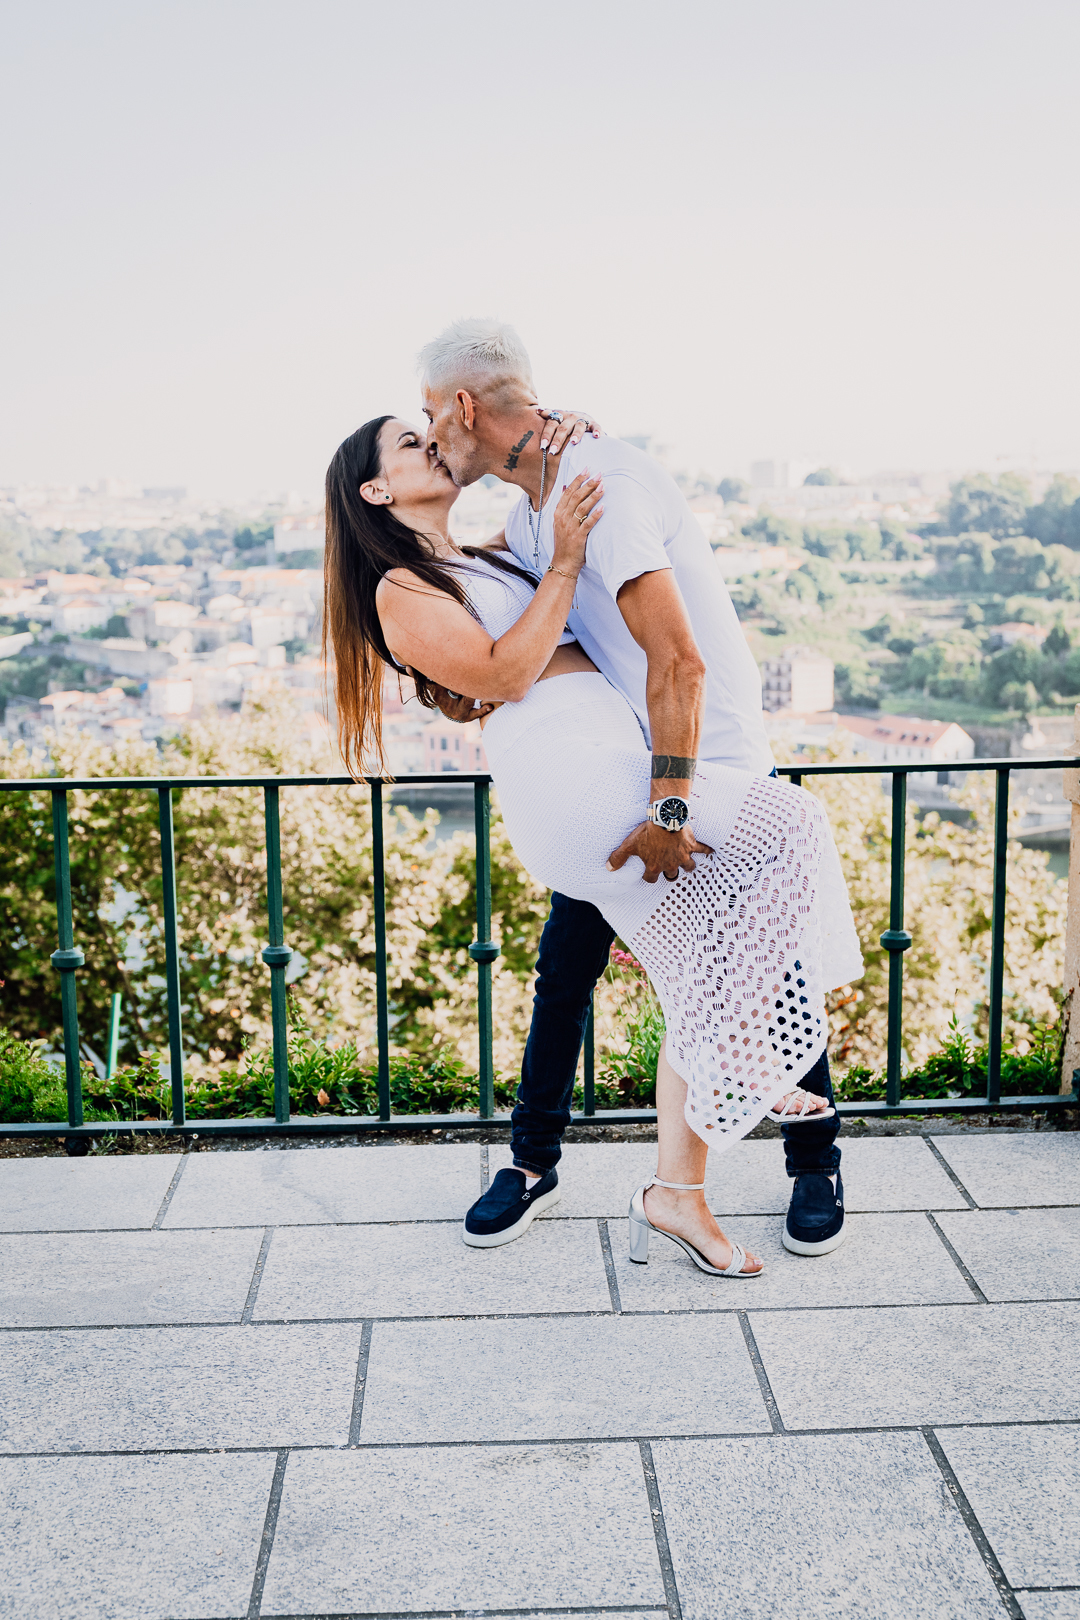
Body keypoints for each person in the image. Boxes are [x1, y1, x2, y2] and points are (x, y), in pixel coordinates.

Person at [323, 405, 862, 1279]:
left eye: (432, 430)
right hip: (577, 778)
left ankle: (695, 1177)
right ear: (377, 489)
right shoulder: (398, 586)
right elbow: (502, 671)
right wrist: (568, 562)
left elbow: (534, 478)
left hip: (613, 758)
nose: (433, 445)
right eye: (411, 444)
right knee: (782, 834)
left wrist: (565, 429)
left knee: (705, 949)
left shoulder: (483, 552)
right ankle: (749, 1084)